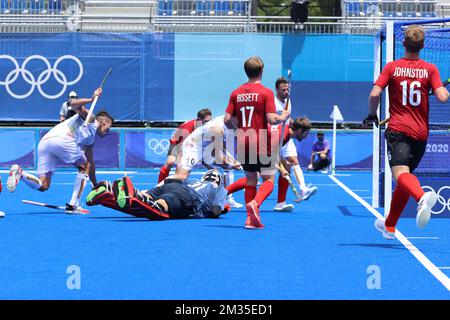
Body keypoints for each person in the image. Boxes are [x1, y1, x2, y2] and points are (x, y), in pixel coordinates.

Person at [363, 25, 449, 239]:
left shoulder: (392, 67)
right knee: (404, 177)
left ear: (403, 43)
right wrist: (443, 91)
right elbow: (441, 97)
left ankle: (421, 197)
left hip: (398, 129)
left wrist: (372, 115)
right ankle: (389, 226)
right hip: (421, 133)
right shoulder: (430, 69)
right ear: (422, 46)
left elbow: (375, 94)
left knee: (400, 175)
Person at [7, 88, 114, 214]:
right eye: (108, 127)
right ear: (102, 122)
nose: (108, 132)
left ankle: (20, 173)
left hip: (45, 142)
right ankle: (73, 205)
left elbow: (91, 164)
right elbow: (73, 104)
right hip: (62, 139)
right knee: (84, 167)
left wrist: (95, 185)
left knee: (44, 185)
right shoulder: (91, 119)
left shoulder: (90, 140)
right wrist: (91, 99)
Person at [224, 56, 290, 229]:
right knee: (268, 180)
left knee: (251, 180)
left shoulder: (236, 92)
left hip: (243, 141)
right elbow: (271, 118)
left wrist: (241, 127)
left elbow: (227, 119)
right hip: (261, 140)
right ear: (261, 71)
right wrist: (282, 117)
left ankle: (250, 219)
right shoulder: (266, 92)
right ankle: (255, 204)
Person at [86, 169, 230, 220]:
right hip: (187, 197)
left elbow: (171, 179)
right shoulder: (220, 188)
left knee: (142, 201)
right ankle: (132, 194)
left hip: (172, 185)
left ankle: (107, 193)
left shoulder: (193, 180)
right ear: (218, 180)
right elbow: (214, 211)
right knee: (158, 210)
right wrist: (219, 210)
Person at [272, 77, 317, 212]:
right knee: (261, 173)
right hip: (273, 138)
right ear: (277, 90)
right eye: (283, 89)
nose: (286, 91)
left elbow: (288, 118)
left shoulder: (288, 101)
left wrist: (296, 126)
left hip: (286, 136)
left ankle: (302, 190)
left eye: (287, 89)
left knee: (292, 162)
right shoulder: (273, 103)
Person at [158, 108, 212, 183]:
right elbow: (181, 150)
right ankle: (159, 186)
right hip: (177, 144)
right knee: (171, 162)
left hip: (195, 145)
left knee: (212, 166)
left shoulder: (209, 127)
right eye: (206, 121)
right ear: (199, 120)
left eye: (210, 121)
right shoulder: (187, 128)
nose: (209, 123)